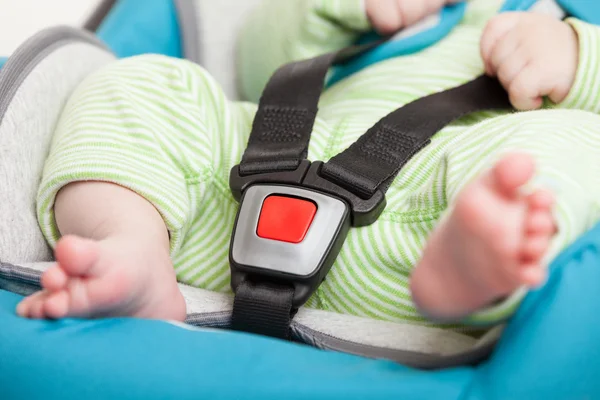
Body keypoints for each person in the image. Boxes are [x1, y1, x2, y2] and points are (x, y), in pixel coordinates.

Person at [17, 0, 600, 333]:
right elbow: (262, 58)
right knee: (146, 79)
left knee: (576, 143)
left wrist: (577, 58)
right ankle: (131, 246)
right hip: (243, 181)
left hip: (433, 210)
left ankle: (472, 268)